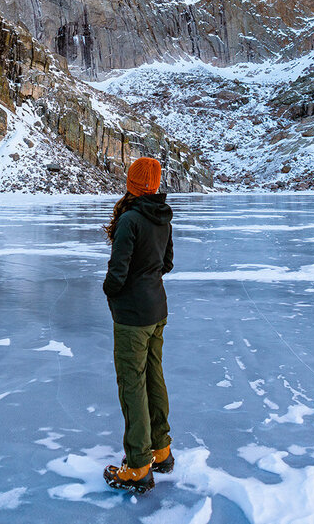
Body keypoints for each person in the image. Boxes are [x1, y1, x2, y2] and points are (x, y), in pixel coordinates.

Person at [101, 156, 175, 495]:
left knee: (132, 384)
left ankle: (139, 465)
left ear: (132, 183)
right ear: (156, 185)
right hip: (157, 309)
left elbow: (117, 273)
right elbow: (167, 264)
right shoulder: (162, 218)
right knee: (154, 377)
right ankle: (161, 450)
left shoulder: (130, 219)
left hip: (133, 316)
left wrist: (113, 293)